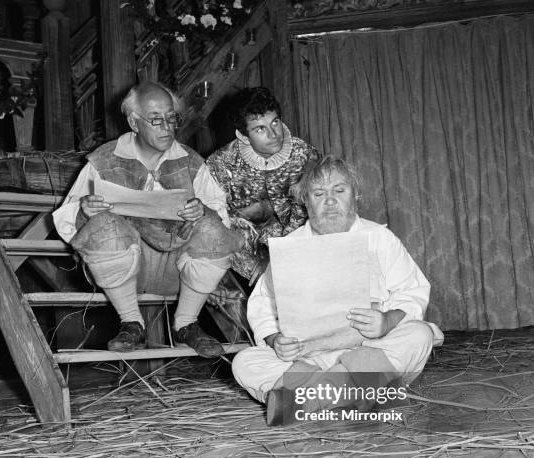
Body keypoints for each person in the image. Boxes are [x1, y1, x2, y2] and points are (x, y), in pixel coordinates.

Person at [232, 155, 444, 426]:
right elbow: (263, 306)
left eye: (339, 190)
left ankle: (308, 399)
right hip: (309, 356)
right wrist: (275, 340)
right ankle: (362, 394)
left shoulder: (380, 238)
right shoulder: (289, 247)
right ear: (305, 202)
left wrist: (386, 322)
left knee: (418, 335)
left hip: (370, 348)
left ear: (355, 195)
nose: (329, 201)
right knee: (244, 362)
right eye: (318, 193)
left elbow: (413, 290)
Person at [53, 82, 242, 358]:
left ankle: (186, 323)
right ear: (133, 122)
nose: (167, 126)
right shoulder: (103, 160)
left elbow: (220, 214)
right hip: (124, 267)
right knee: (105, 224)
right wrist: (85, 211)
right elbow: (66, 221)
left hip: (178, 270)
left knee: (212, 228)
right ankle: (131, 322)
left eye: (171, 118)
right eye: (156, 119)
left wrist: (203, 211)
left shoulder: (191, 162)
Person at [206, 87, 319, 284]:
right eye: (260, 128)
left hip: (292, 247)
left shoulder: (306, 156)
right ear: (242, 136)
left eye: (275, 122)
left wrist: (276, 257)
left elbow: (309, 218)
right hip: (235, 251)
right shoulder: (220, 163)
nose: (274, 133)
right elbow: (214, 220)